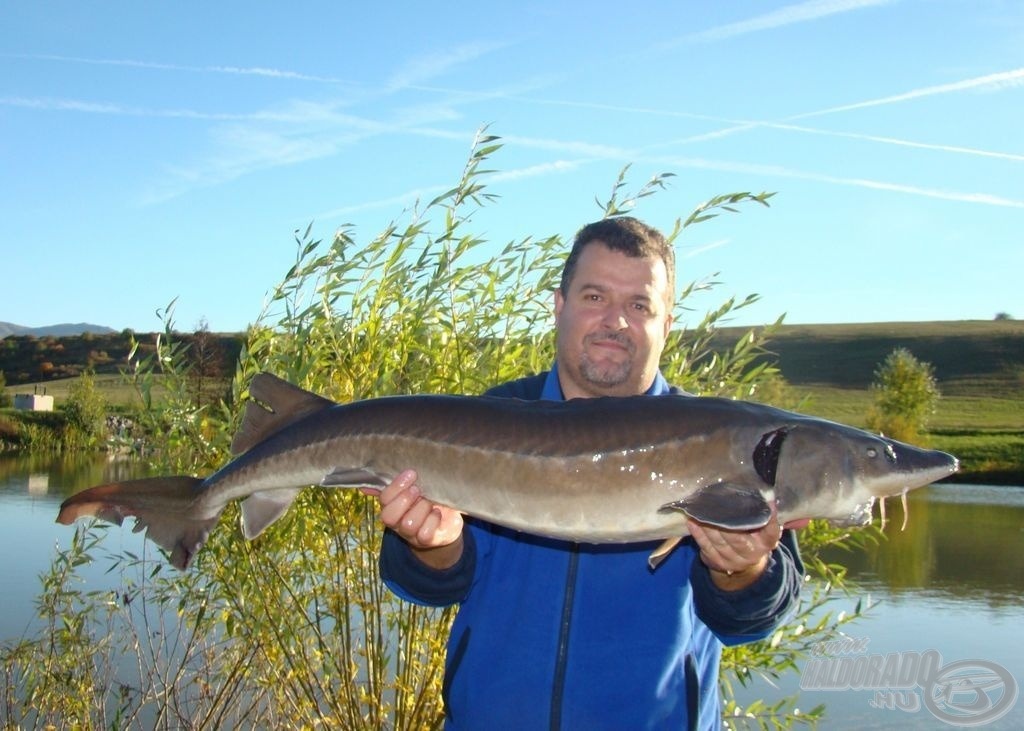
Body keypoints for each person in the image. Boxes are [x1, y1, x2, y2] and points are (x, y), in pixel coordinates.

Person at [370, 216, 804, 730]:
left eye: (639, 306)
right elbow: (426, 586)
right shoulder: (489, 419)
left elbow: (755, 618)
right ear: (560, 306)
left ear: (667, 325)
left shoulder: (724, 439)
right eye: (595, 297)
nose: (615, 322)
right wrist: (430, 546)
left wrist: (742, 568)